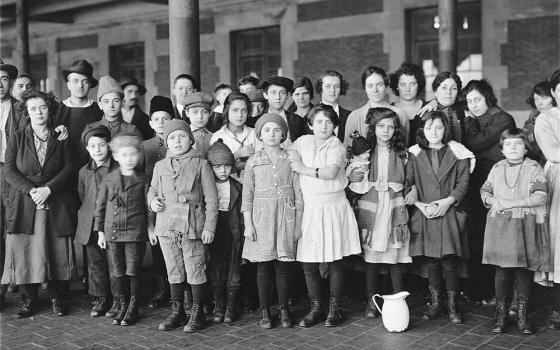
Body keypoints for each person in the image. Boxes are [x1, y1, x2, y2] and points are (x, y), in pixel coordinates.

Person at [3, 90, 77, 318]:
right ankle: (29, 300)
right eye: (33, 108)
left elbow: (69, 167)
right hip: (25, 202)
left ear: (50, 109)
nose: (38, 112)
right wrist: (32, 190)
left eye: (43, 107)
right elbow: (10, 170)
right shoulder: (17, 136)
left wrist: (49, 189)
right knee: (26, 250)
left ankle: (57, 298)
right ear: (26, 112)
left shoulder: (61, 136)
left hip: (54, 199)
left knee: (53, 249)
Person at [290, 105, 361, 327]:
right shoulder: (302, 142)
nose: (324, 126)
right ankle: (316, 307)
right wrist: (294, 157)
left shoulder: (336, 145)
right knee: (309, 262)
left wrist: (301, 167)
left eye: (329, 122)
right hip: (310, 207)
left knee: (334, 259)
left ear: (334, 126)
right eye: (319, 122)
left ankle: (334, 308)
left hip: (333, 206)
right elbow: (289, 153)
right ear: (310, 124)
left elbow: (330, 173)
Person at [147, 119, 218, 332]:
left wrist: (209, 227)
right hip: (167, 226)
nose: (177, 141)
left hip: (193, 226)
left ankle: (197, 312)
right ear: (166, 143)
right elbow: (152, 189)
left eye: (181, 136)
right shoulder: (160, 166)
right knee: (174, 269)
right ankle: (177, 311)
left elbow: (212, 199)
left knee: (195, 266)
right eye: (172, 138)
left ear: (190, 138)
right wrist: (152, 200)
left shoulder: (201, 163)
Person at [405, 110, 474, 325]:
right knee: (432, 261)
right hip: (425, 212)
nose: (434, 131)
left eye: (438, 127)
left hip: (449, 212)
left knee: (449, 261)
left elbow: (463, 184)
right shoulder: (414, 154)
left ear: (446, 129)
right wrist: (419, 205)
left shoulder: (458, 152)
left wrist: (447, 202)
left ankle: (452, 304)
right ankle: (436, 303)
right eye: (429, 127)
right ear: (422, 131)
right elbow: (408, 183)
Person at [481, 128, 551, 335]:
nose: (513, 148)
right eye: (508, 144)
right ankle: (501, 315)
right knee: (502, 271)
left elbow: (541, 196)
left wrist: (512, 203)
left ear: (526, 147)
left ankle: (522, 315)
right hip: (500, 226)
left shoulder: (533, 167)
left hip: (524, 226)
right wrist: (492, 200)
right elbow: (485, 191)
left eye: (518, 144)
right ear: (502, 149)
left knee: (522, 271)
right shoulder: (497, 167)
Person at [242, 113, 303, 329]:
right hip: (262, 218)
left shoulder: (291, 158)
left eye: (277, 130)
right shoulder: (253, 161)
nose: (272, 134)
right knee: (264, 266)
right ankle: (265, 308)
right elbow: (247, 194)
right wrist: (248, 225)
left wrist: (297, 223)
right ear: (259, 134)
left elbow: (298, 192)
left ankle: (284, 307)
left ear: (283, 135)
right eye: (266, 130)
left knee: (283, 266)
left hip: (286, 216)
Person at [351, 107, 411, 319]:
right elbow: (355, 182)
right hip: (373, 207)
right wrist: (360, 173)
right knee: (372, 258)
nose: (385, 130)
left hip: (394, 206)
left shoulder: (403, 154)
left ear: (396, 130)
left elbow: (410, 182)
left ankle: (398, 299)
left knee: (394, 256)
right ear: (373, 128)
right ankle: (371, 300)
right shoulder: (366, 154)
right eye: (381, 126)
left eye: (390, 127)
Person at [462, 79, 516, 305]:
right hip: (477, 184)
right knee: (478, 237)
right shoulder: (481, 118)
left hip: (499, 186)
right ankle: (482, 291)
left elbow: (475, 143)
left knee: (498, 238)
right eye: (469, 101)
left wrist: (469, 122)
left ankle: (501, 294)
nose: (473, 105)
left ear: (488, 98)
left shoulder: (502, 118)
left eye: (477, 99)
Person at [95, 133, 150, 326]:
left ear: (138, 156)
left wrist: (150, 229)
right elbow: (100, 206)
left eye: (133, 154)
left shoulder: (142, 180)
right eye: (124, 155)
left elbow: (148, 207)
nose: (129, 159)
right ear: (116, 156)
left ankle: (133, 307)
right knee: (117, 270)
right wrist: (100, 231)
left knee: (133, 269)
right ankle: (123, 304)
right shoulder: (109, 179)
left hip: (135, 232)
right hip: (113, 232)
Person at [75, 125, 117, 317]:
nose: (97, 149)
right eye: (93, 146)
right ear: (87, 148)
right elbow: (82, 195)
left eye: (102, 145)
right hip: (91, 223)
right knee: (95, 262)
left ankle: (118, 297)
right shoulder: (84, 171)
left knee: (115, 261)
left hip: (112, 223)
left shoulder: (117, 168)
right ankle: (101, 297)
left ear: (109, 146)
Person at [206, 140, 244, 323]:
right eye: (218, 167)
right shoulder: (206, 187)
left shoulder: (238, 187)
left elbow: (242, 214)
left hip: (233, 232)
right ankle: (219, 305)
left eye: (227, 166)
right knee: (216, 270)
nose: (223, 171)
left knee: (234, 269)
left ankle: (231, 305)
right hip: (215, 231)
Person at [142, 95, 174, 310]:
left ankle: (180, 290)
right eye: (157, 118)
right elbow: (143, 183)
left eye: (165, 118)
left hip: (177, 205)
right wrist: (149, 222)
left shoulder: (180, 142)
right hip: (154, 205)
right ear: (151, 123)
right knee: (159, 251)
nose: (161, 122)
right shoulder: (145, 147)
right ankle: (163, 288)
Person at [534, 69, 560, 330]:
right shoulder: (546, 119)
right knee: (559, 243)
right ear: (553, 93)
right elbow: (553, 151)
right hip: (558, 180)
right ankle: (558, 307)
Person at [0, 59, 24, 309]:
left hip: (13, 174)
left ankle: (12, 281)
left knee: (12, 226)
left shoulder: (20, 109)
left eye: (4, 79)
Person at [54, 59, 103, 172]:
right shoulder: (58, 110)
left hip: (93, 168)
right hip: (62, 169)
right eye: (75, 81)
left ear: (90, 85)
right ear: (68, 85)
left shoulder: (98, 110)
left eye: (85, 81)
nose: (80, 85)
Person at [344, 66, 409, 147]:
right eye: (370, 85)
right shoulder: (354, 117)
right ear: (365, 88)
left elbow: (404, 148)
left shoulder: (400, 114)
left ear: (386, 86)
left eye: (379, 85)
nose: (375, 90)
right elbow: (348, 150)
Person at [211, 92, 259, 181]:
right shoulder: (217, 137)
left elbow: (262, 164)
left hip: (254, 186)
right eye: (235, 110)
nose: (240, 115)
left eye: (244, 110)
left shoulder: (254, 133)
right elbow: (216, 169)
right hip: (227, 189)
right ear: (226, 111)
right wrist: (237, 155)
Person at [260, 76, 308, 147]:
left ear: (287, 96)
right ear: (265, 95)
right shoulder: (256, 121)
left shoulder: (297, 121)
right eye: (273, 92)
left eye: (282, 93)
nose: (278, 97)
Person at [389, 62, 427, 145]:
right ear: (397, 86)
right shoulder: (389, 110)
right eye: (403, 84)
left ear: (418, 85)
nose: (407, 89)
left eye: (412, 84)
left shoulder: (429, 108)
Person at [523, 81, 555, 165]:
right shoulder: (531, 122)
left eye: (544, 98)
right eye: (536, 99)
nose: (540, 103)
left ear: (554, 97)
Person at [316, 70, 351, 142]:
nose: (333, 90)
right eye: (328, 86)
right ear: (320, 88)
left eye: (336, 86)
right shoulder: (310, 115)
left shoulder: (350, 116)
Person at [184, 92, 214, 156]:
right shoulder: (183, 135)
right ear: (187, 113)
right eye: (195, 112)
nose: (200, 117)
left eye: (205, 112)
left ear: (209, 114)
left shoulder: (213, 136)